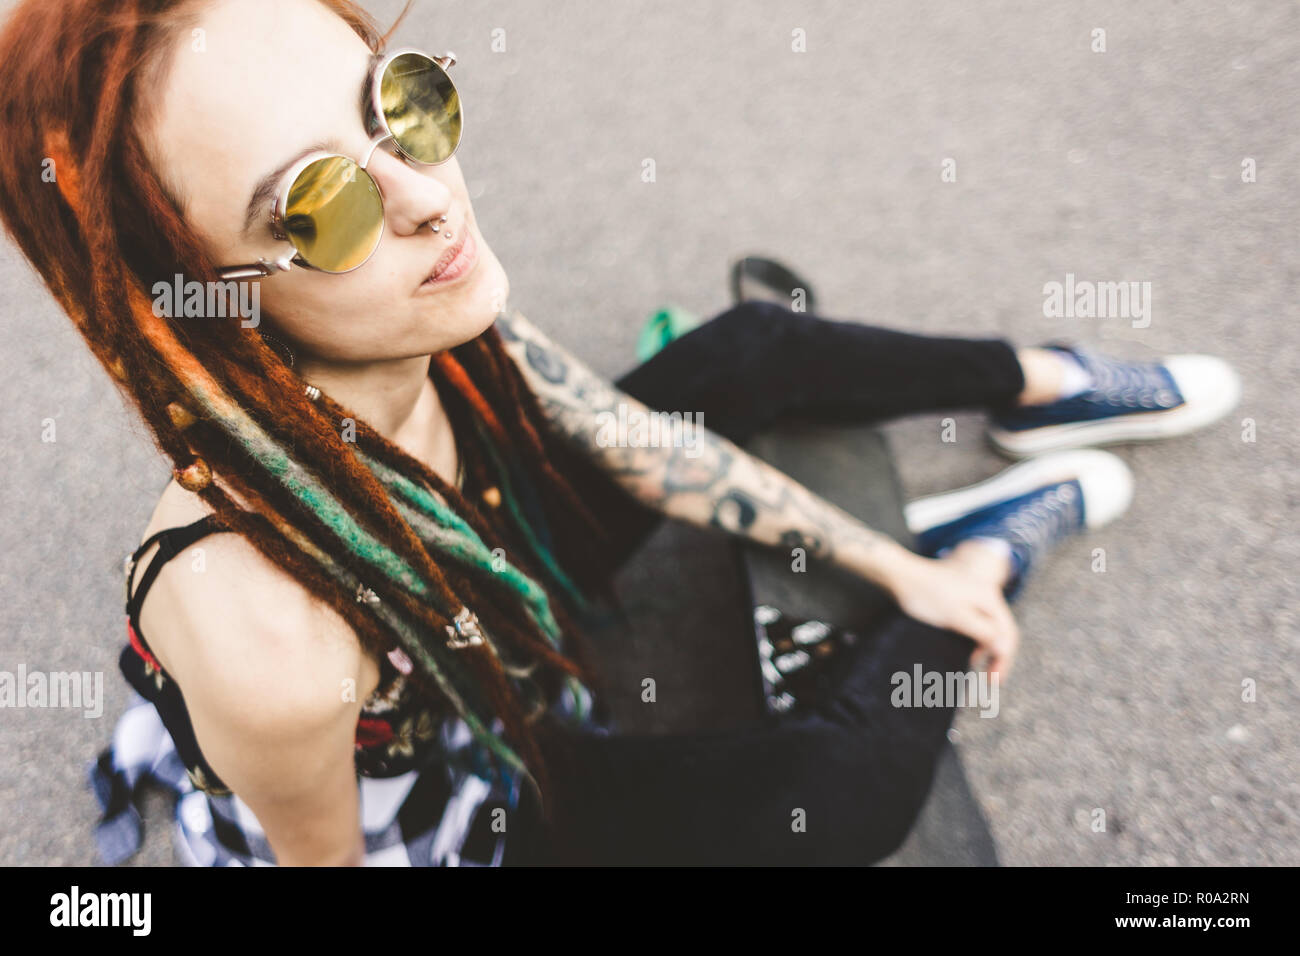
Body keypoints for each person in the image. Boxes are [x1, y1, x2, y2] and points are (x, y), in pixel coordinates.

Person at [0, 0, 1240, 866]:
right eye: (320, 204)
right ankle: (983, 565)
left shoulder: (425, 306)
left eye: (403, 107)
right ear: (188, 304)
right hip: (460, 780)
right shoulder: (263, 629)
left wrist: (880, 562)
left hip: (490, 572)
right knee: (834, 795)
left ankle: (1035, 383)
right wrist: (939, 591)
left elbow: (635, 440)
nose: (430, 197)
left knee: (754, 351)